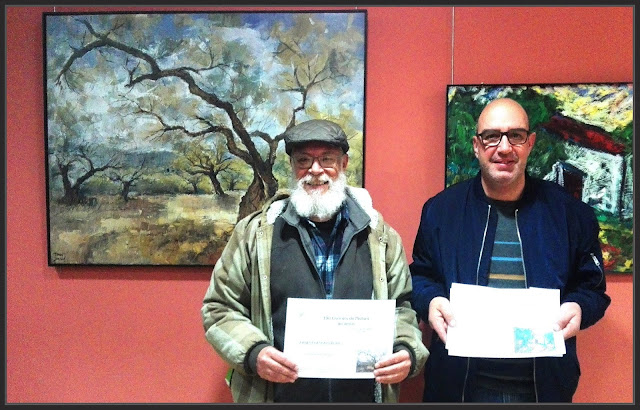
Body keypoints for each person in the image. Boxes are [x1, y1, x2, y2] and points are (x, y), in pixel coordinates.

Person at [201, 119, 428, 403]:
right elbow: (219, 308)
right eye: (304, 160)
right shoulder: (255, 234)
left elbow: (403, 307)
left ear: (344, 164)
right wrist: (253, 352)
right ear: (292, 166)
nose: (315, 170)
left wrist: (405, 349)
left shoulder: (380, 237)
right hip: (278, 397)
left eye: (327, 159)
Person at [410, 98, 611, 403]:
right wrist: (431, 301)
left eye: (515, 136)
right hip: (456, 389)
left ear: (530, 143)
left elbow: (592, 289)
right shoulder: (440, 211)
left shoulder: (571, 214)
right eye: (492, 136)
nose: (504, 148)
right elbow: (421, 277)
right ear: (477, 146)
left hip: (544, 391)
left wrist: (579, 308)